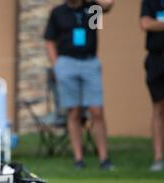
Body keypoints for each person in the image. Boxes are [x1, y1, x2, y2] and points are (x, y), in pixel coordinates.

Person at [44, 0, 115, 170]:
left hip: (89, 62)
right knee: (74, 111)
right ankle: (78, 159)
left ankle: (104, 158)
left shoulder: (92, 9)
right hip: (67, 63)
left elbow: (108, 5)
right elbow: (49, 40)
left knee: (96, 111)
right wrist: (57, 65)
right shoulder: (58, 12)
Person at [140, 0, 164, 172]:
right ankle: (158, 158)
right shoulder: (150, 1)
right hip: (156, 59)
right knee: (159, 107)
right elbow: (145, 24)